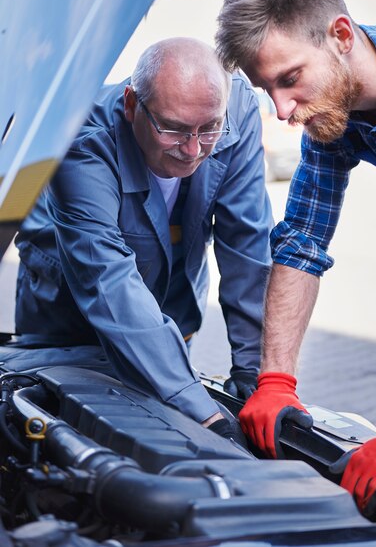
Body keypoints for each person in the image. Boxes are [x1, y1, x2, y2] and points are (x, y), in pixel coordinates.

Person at [215, 0, 376, 515]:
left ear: (342, 35)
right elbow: (302, 239)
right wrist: (275, 380)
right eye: (266, 90)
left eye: (290, 79)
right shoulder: (337, 115)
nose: (281, 109)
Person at [14, 37, 272, 438]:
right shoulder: (82, 134)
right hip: (67, 318)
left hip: (167, 313)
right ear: (132, 105)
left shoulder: (235, 108)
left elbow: (247, 245)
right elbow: (106, 278)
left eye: (209, 130)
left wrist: (256, 377)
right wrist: (205, 413)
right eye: (174, 129)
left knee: (167, 420)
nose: (192, 149)